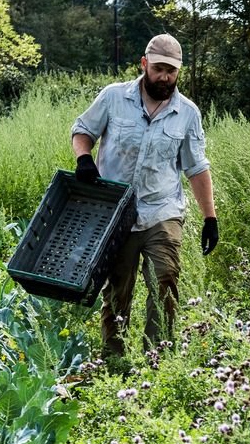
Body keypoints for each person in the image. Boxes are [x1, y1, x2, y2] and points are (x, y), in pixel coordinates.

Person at [70, 33, 218, 358]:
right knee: (118, 292)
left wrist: (210, 218)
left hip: (162, 211)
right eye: (159, 69)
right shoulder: (113, 97)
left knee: (164, 280)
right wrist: (83, 159)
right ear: (144, 64)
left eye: (172, 71)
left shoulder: (187, 114)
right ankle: (113, 360)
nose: (165, 77)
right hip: (116, 212)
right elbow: (83, 130)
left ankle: (159, 360)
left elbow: (196, 168)